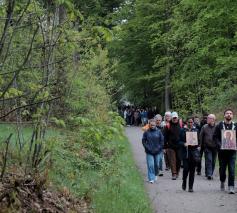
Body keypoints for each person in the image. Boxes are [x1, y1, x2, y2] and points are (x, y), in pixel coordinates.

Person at [213, 109, 237, 194]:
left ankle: (231, 186)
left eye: (230, 113)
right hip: (222, 152)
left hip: (232, 152)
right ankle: (222, 181)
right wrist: (220, 145)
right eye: (227, 113)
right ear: (224, 115)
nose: (229, 115)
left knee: (232, 169)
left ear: (232, 115)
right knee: (222, 170)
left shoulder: (235, 126)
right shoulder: (219, 125)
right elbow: (215, 137)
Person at [180, 117, 200, 192]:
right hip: (185, 153)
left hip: (193, 153)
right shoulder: (182, 130)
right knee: (185, 169)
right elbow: (179, 141)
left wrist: (199, 146)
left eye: (191, 122)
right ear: (186, 123)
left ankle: (190, 187)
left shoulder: (196, 131)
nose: (190, 123)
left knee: (192, 170)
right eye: (189, 122)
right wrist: (183, 143)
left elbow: (199, 141)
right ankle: (184, 181)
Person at [164, 112, 182, 180]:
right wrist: (164, 147)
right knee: (172, 160)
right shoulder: (168, 126)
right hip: (170, 146)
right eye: (173, 118)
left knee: (179, 160)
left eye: (175, 118)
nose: (174, 119)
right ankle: (174, 174)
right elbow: (165, 137)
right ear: (172, 118)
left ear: (177, 117)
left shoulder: (181, 125)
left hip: (179, 146)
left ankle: (177, 172)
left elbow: (184, 134)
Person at [200, 114, 217, 179]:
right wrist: (200, 146)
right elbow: (201, 137)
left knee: (213, 161)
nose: (207, 119)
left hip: (215, 147)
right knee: (209, 160)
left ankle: (209, 173)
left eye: (209, 118)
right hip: (207, 146)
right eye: (207, 118)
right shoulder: (204, 127)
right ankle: (209, 174)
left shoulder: (217, 127)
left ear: (213, 119)